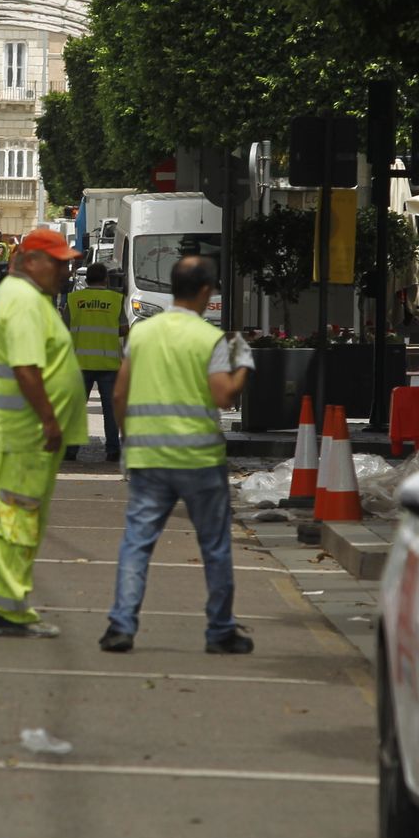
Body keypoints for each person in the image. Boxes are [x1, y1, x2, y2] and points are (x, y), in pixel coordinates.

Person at [99, 256, 255, 656]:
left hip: (148, 456)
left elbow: (119, 393)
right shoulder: (211, 339)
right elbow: (224, 396)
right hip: (198, 459)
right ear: (205, 291)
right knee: (215, 546)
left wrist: (127, 437)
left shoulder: (143, 333)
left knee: (137, 542)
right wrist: (244, 365)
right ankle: (220, 630)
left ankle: (121, 625)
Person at [0, 228, 88, 639]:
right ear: (32, 261)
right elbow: (26, 368)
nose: (65, 268)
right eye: (58, 261)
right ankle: (9, 611)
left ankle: (8, 607)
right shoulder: (23, 301)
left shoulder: (27, 298)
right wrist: (49, 421)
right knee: (14, 521)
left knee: (14, 519)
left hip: (18, 434)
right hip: (21, 434)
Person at [62, 262, 128, 462]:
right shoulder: (115, 299)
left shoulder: (74, 300)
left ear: (86, 279)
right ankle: (112, 450)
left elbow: (64, 328)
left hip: (80, 363)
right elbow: (124, 329)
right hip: (108, 364)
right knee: (110, 410)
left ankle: (70, 451)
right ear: (106, 279)